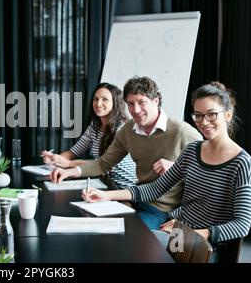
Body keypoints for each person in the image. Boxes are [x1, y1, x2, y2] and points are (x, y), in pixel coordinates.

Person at [82, 82, 251, 254]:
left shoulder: (241, 162)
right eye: (198, 116)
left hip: (202, 245)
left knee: (131, 247)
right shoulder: (193, 150)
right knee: (115, 240)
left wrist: (188, 234)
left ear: (228, 115)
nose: (204, 122)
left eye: (212, 115)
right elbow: (155, 189)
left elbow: (242, 225)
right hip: (176, 227)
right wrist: (106, 195)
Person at [51, 76, 202, 230]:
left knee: (127, 236)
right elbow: (103, 164)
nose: (135, 110)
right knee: (92, 225)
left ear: (156, 101)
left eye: (142, 102)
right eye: (130, 104)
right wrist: (69, 172)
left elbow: (209, 176)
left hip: (162, 209)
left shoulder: (183, 132)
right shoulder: (127, 131)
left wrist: (178, 168)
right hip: (136, 197)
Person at [41, 82, 137, 188]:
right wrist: (54, 159)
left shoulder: (122, 129)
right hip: (104, 183)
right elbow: (73, 152)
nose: (98, 103)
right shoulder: (94, 127)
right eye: (95, 99)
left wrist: (68, 164)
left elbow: (100, 165)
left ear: (115, 103)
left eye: (104, 99)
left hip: (125, 188)